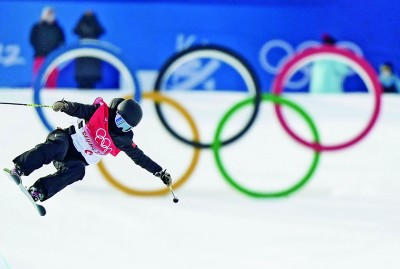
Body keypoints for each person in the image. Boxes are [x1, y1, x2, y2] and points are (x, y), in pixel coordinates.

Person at [9, 97, 172, 202]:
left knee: (78, 171)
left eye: (125, 126)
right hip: (67, 139)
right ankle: (20, 168)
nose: (119, 125)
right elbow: (80, 109)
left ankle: (39, 190)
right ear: (116, 112)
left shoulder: (123, 141)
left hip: (76, 159)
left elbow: (141, 158)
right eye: (119, 119)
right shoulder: (100, 113)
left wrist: (159, 172)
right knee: (58, 146)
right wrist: (65, 106)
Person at [30, 6, 65, 88]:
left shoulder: (57, 28)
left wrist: (55, 51)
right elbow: (32, 40)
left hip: (53, 58)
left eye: (51, 13)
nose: (49, 15)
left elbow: (62, 41)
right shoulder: (37, 27)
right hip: (39, 56)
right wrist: (40, 49)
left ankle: (52, 99)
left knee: (52, 81)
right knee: (38, 80)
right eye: (47, 13)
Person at [73, 10, 105, 89]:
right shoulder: (81, 24)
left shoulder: (95, 24)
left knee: (91, 83)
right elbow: (75, 30)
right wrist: (83, 18)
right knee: (81, 82)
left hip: (92, 55)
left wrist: (93, 18)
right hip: (82, 55)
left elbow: (101, 30)